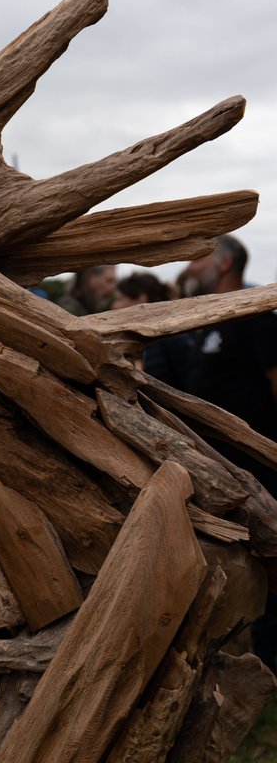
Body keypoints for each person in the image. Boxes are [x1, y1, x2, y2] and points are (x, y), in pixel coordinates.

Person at [180, 235, 277, 670]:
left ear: (222, 264)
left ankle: (270, 660)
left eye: (199, 255)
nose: (189, 263)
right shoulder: (204, 315)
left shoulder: (255, 316)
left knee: (269, 556)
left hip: (255, 467)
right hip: (210, 466)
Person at [111, 271, 195, 391]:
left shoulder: (171, 335)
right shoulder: (144, 337)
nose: (115, 306)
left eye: (121, 298)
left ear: (141, 299)